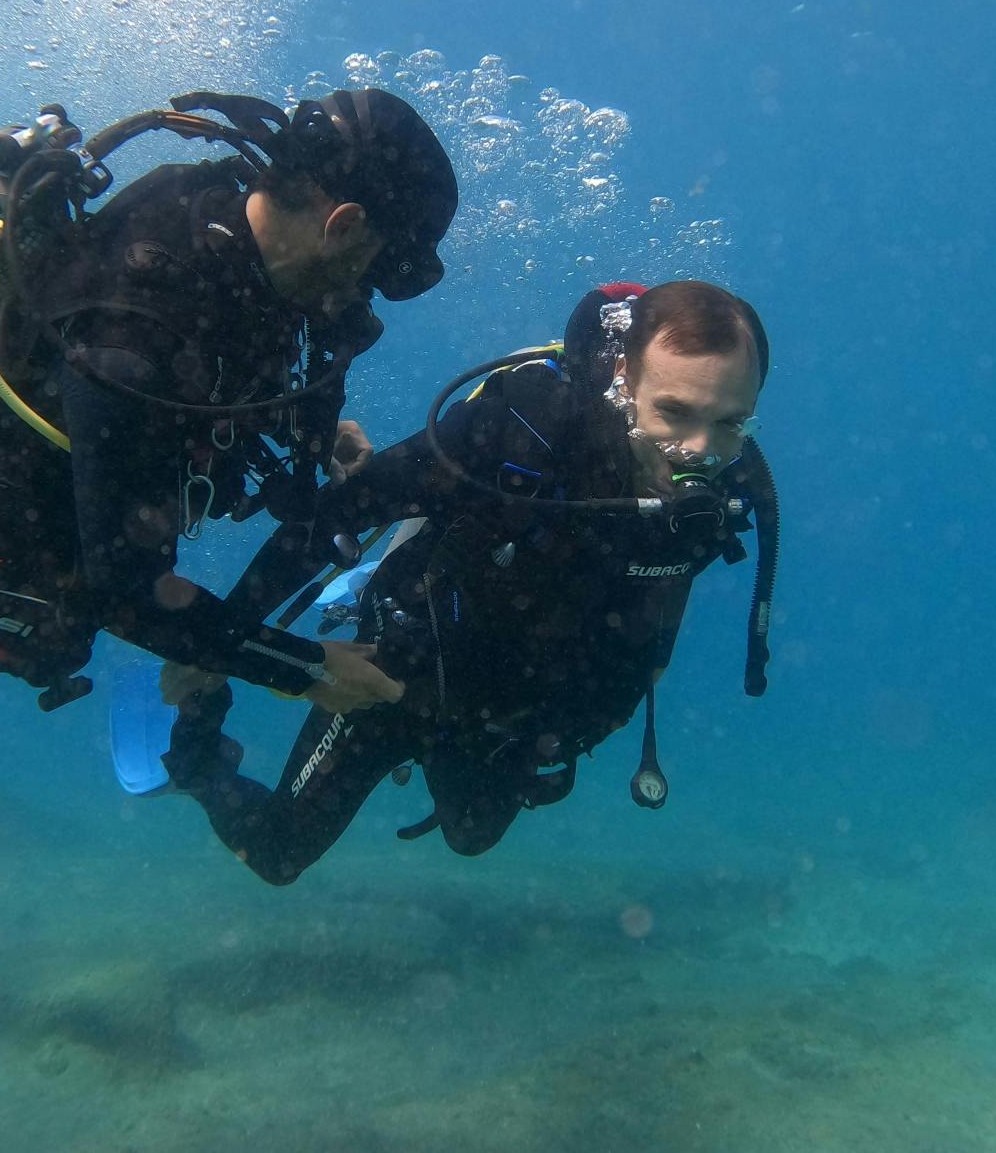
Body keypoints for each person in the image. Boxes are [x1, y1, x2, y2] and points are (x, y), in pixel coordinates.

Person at [0, 90, 458, 715]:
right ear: (345, 225)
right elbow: (128, 590)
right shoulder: (133, 323)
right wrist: (307, 669)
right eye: (378, 270)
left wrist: (306, 435)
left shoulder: (224, 221)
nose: (363, 295)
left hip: (89, 498)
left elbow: (211, 385)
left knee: (51, 641)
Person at [155, 279, 780, 884]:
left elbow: (655, 606)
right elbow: (338, 517)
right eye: (674, 411)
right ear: (623, 376)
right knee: (277, 854)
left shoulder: (728, 478)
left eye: (731, 421)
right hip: (400, 670)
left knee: (472, 836)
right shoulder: (523, 426)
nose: (699, 449)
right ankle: (197, 755)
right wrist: (216, 645)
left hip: (511, 706)